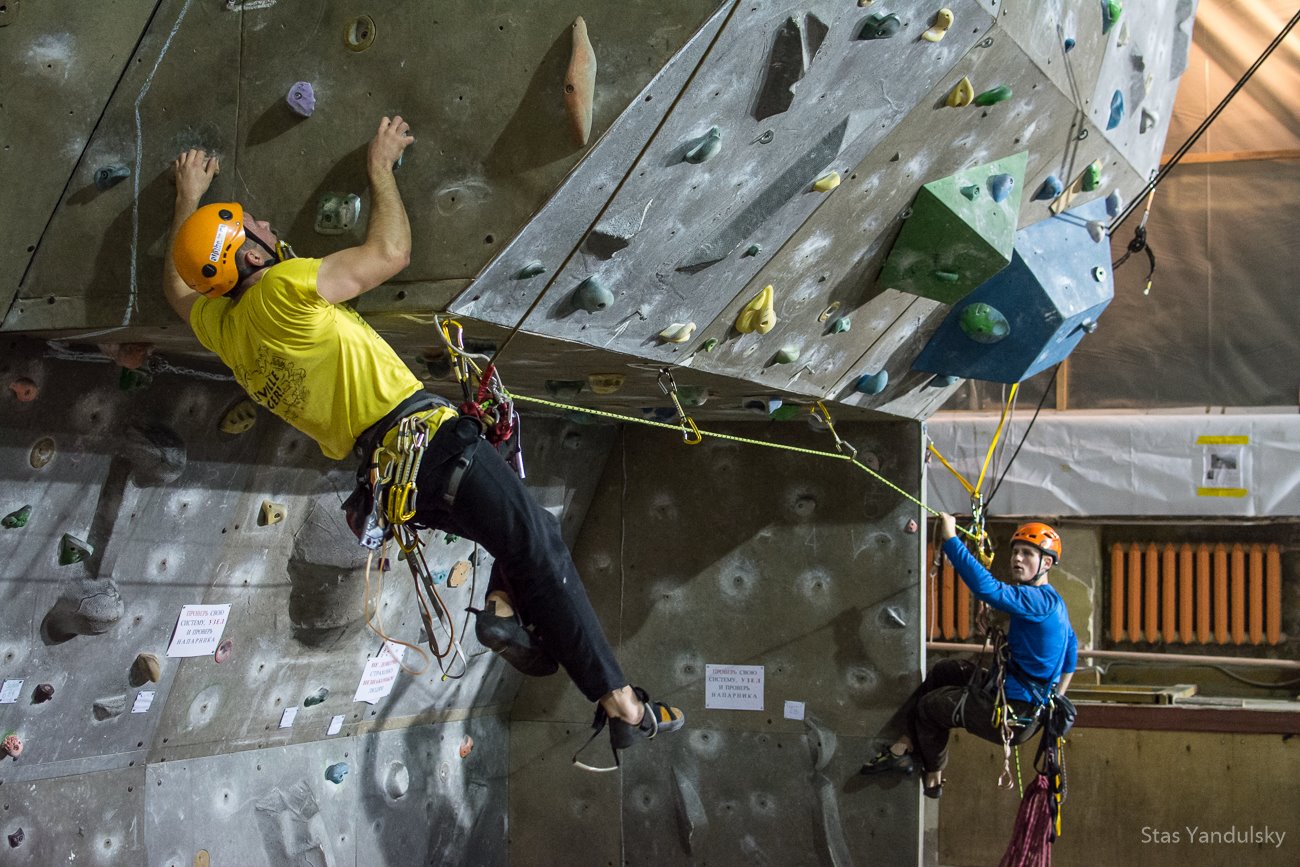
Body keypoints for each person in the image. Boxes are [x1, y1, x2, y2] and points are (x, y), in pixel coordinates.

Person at [164, 116, 683, 765]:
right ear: (249, 257)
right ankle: (621, 704)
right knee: (539, 540)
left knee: (516, 538)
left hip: (402, 479)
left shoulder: (227, 330)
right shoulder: (279, 289)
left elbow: (179, 288)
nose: (270, 226)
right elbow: (389, 254)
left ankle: (500, 607)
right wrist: (379, 168)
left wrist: (189, 199)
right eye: (257, 228)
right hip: (429, 447)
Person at [861, 513, 1076, 798]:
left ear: (1046, 563)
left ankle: (933, 780)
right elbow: (1071, 648)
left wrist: (950, 539)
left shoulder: (1035, 600)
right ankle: (905, 743)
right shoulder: (1052, 601)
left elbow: (988, 589)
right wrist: (1056, 696)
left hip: (1014, 713)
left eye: (1027, 554)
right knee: (946, 670)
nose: (1017, 558)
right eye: (1015, 552)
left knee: (930, 707)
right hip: (1024, 706)